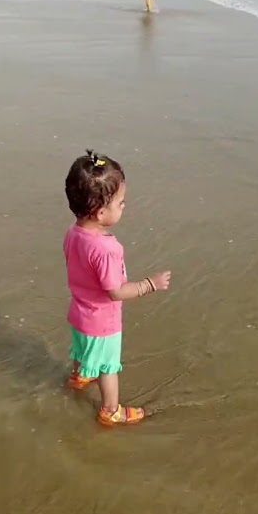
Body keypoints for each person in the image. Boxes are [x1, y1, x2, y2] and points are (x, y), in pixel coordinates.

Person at [63, 150, 171, 427]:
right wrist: (150, 285)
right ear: (101, 212)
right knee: (108, 368)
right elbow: (116, 291)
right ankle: (110, 410)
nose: (124, 207)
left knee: (81, 350)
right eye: (121, 203)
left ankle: (79, 378)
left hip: (79, 313)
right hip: (102, 323)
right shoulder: (106, 249)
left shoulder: (74, 234)